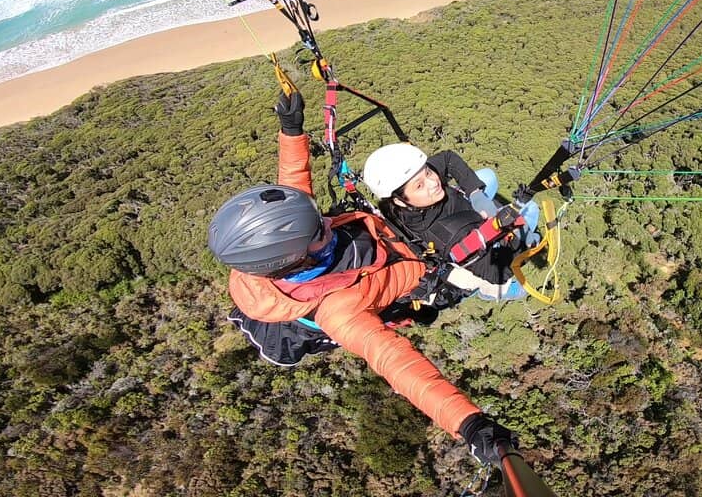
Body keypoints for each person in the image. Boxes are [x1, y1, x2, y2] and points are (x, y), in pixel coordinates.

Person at [207, 90, 515, 465]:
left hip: (398, 237)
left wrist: (291, 131)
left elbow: (295, 185)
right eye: (319, 231)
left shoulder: (295, 237)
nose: (327, 221)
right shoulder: (337, 313)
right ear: (297, 261)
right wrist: (468, 423)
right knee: (503, 278)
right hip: (428, 273)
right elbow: (396, 364)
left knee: (483, 184)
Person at [361, 142, 540, 301]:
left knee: (488, 176)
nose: (433, 182)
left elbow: (447, 158)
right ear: (399, 200)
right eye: (420, 185)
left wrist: (475, 193)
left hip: (462, 209)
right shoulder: (446, 234)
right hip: (462, 244)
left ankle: (480, 203)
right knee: (531, 210)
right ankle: (487, 292)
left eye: (428, 172)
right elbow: (496, 273)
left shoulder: (408, 192)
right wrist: (522, 242)